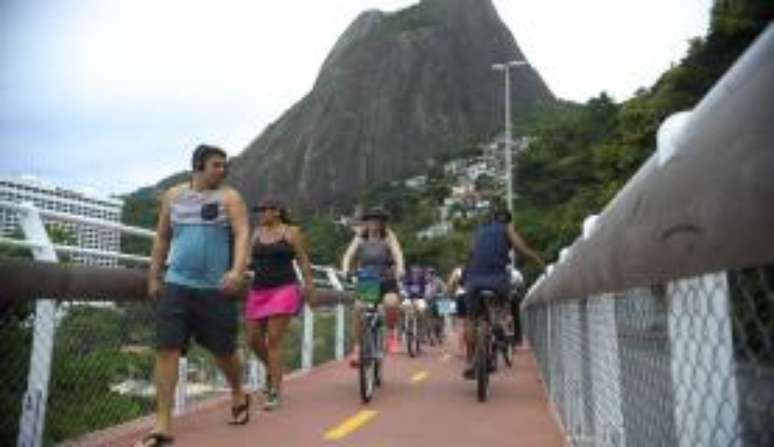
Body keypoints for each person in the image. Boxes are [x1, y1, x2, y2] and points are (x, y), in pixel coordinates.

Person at [142, 144, 250, 446]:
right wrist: (154, 276)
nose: (223, 169)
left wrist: (237, 272)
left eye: (224, 164)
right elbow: (163, 237)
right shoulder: (174, 196)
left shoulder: (230, 197)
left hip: (216, 288)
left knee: (224, 351)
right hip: (176, 284)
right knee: (167, 349)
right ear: (199, 166)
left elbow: (242, 234)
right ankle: (162, 423)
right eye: (217, 164)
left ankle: (238, 391)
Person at [245, 199, 315, 411]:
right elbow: (247, 260)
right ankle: (273, 370)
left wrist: (309, 285)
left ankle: (274, 390)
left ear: (276, 212)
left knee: (274, 339)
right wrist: (234, 272)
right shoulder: (256, 233)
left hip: (284, 289)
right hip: (258, 290)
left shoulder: (291, 232)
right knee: (252, 339)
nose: (260, 215)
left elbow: (303, 260)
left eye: (264, 211)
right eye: (259, 211)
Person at [461, 207, 544, 379]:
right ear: (508, 221)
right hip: (497, 279)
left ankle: (470, 360)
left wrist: (465, 277)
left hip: (474, 279)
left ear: (492, 219)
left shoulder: (479, 232)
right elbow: (519, 247)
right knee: (504, 300)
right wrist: (538, 260)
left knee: (471, 319)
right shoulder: (507, 228)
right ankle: (499, 325)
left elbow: (470, 254)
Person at [341, 207, 405, 363]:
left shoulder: (389, 237)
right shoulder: (360, 238)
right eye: (370, 220)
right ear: (366, 223)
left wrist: (400, 267)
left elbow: (397, 253)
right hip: (367, 279)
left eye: (378, 221)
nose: (374, 223)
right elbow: (348, 255)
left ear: (383, 223)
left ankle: (391, 334)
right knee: (359, 308)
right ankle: (357, 348)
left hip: (386, 278)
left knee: (391, 303)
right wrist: (345, 269)